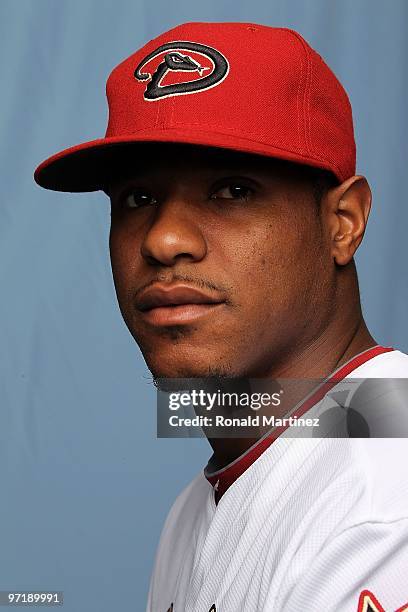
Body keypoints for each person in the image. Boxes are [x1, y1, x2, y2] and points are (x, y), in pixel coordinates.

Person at [34, 22, 408, 612]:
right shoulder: (201, 503)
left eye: (232, 190)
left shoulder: (386, 504)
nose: (164, 240)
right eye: (138, 198)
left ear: (344, 222)